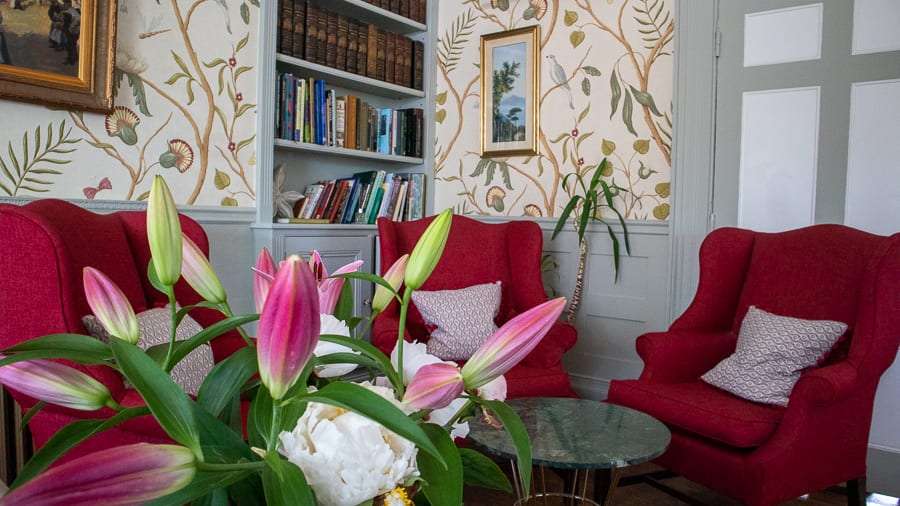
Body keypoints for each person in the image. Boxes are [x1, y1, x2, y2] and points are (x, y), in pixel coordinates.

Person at [61, 0, 79, 65]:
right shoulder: (66, 11)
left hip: (73, 32)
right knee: (70, 45)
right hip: (68, 32)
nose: (64, 5)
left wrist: (72, 26)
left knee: (71, 45)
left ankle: (71, 59)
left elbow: (78, 19)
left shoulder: (72, 11)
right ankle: (74, 57)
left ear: (69, 4)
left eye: (65, 3)